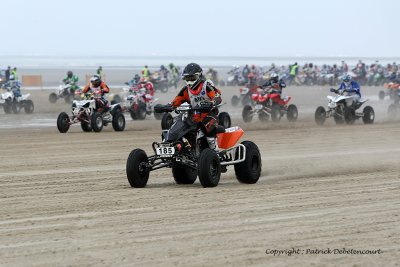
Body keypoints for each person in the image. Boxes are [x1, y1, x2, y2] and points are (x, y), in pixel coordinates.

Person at [170, 63, 222, 150]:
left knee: (209, 126)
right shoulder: (186, 90)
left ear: (199, 76)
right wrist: (168, 106)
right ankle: (178, 148)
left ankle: (215, 151)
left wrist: (212, 102)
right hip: (193, 117)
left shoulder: (206, 86)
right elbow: (176, 101)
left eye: (192, 78)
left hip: (209, 115)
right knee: (177, 125)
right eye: (187, 78)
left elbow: (217, 96)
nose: (190, 81)